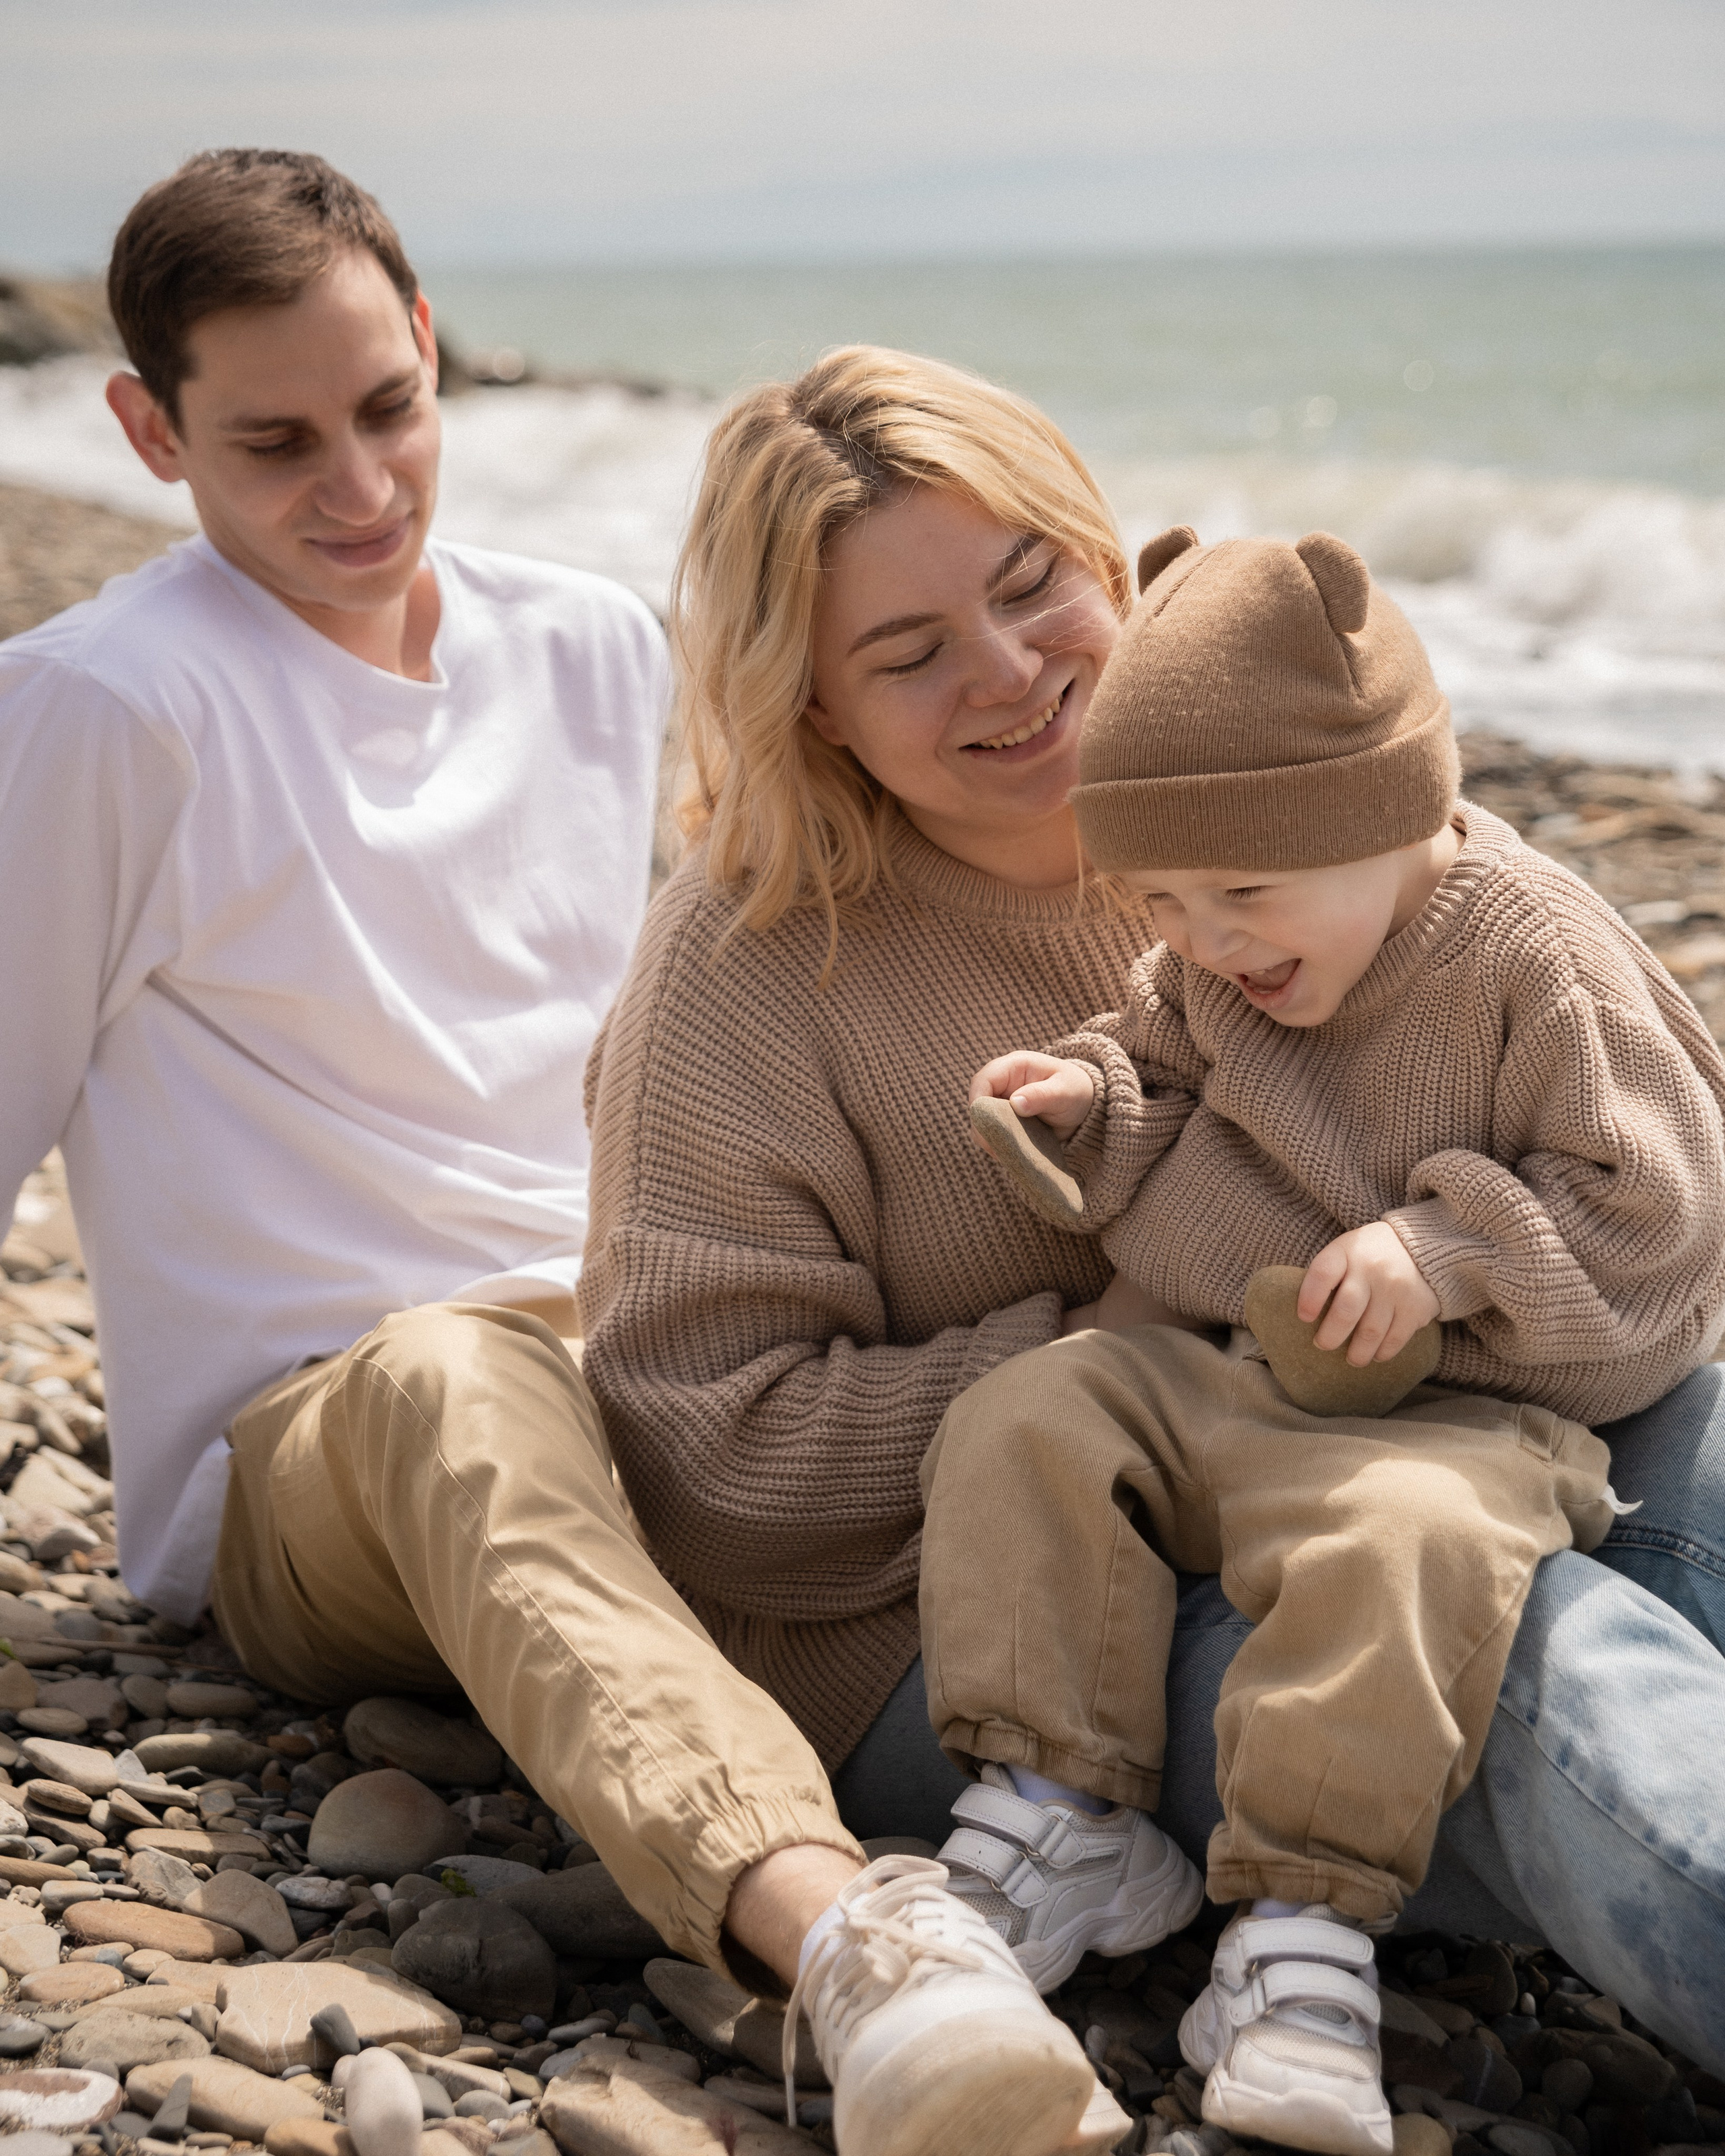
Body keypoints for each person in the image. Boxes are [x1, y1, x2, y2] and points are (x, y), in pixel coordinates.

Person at [0, 154, 1117, 2156]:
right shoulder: (104, 710)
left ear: (430, 350)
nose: (356, 487)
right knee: (455, 1376)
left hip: (657, 1376)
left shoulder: (595, 647)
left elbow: (741, 1050)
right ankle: (854, 1944)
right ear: (146, 429)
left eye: (387, 410)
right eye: (270, 443)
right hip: (329, 1441)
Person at [580, 343, 1725, 2077]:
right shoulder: (745, 967)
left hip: (1414, 1418)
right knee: (1536, 1659)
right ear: (810, 705)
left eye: (1031, 584)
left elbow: (1609, 1167)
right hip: (1013, 1625)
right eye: (902, 653)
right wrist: (1118, 1347)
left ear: (1105, 558)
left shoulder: (1284, 804)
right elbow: (708, 1464)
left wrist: (1453, 1267)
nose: (1009, 673)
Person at [933, 522, 1725, 2154]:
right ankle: (1056, 1798)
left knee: (1406, 1546)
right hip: (1243, 1378)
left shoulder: (1527, 956)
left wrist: (1445, 1249)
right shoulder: (1219, 960)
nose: (1208, 938)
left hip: (1465, 1421)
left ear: (1396, 817)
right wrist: (1085, 1101)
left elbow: (1662, 1206)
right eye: (1159, 897)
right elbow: (1154, 1052)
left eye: (1241, 890)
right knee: (1034, 1410)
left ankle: (1301, 1929)